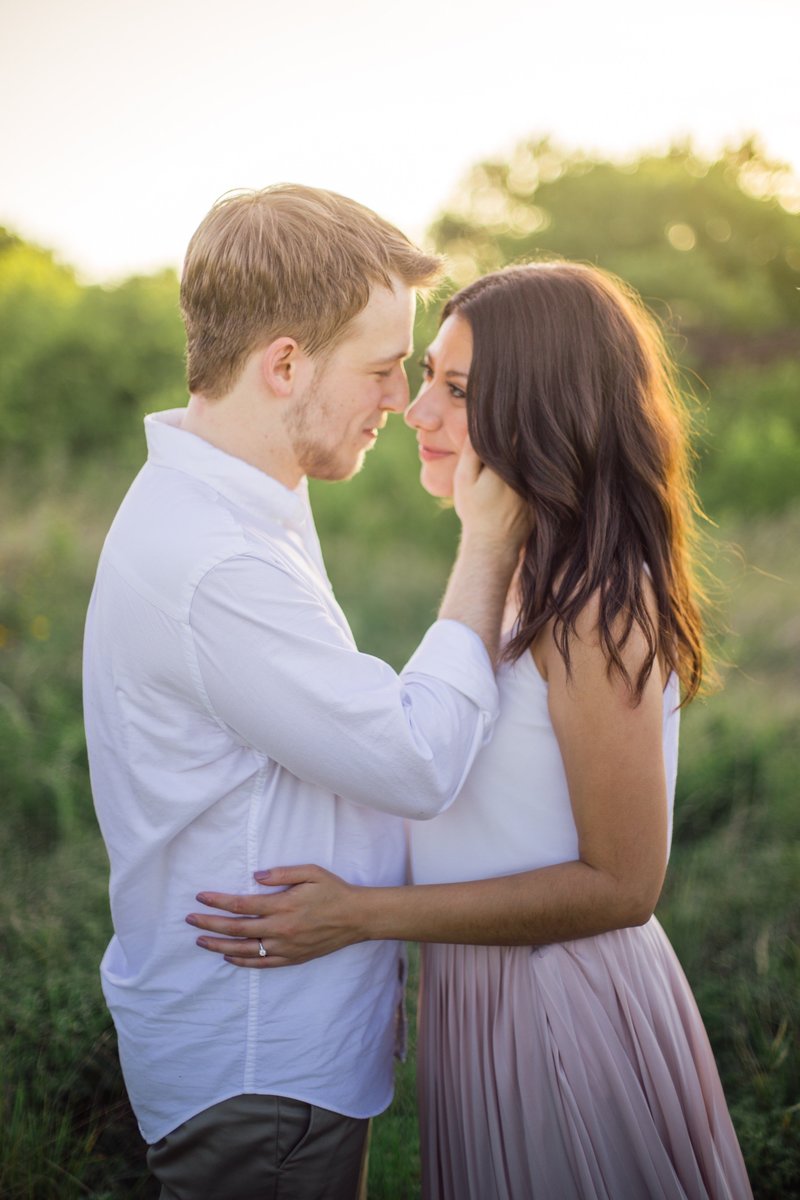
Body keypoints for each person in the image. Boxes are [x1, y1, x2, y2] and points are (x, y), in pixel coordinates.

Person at [189, 262, 754, 1199]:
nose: (416, 412)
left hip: (559, 1003)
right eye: (427, 381)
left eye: (456, 390)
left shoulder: (596, 605)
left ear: (544, 408)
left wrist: (360, 916)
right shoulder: (513, 576)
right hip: (479, 991)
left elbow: (622, 886)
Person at [82, 185, 531, 1200]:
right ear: (284, 364)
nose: (401, 405)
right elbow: (413, 763)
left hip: (259, 1053)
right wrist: (489, 543)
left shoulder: (244, 497)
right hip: (260, 1071)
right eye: (380, 371)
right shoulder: (214, 561)